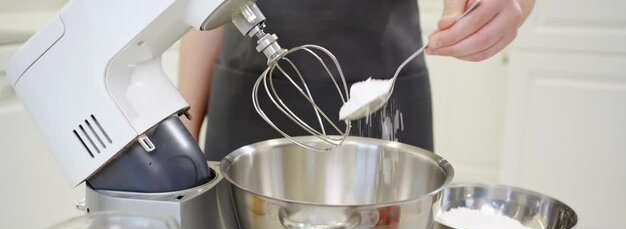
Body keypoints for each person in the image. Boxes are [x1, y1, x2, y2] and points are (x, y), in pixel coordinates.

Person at [178, 0, 535, 160]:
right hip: (250, 102)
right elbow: (202, 10)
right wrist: (182, 132)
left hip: (387, 108)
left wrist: (502, 7)